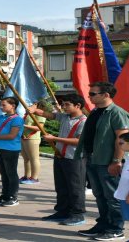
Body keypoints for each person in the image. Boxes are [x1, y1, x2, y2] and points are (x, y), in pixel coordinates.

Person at [75, 82, 129, 241]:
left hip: (107, 161)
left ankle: (116, 228)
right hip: (93, 158)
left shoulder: (117, 113)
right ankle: (103, 224)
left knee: (113, 196)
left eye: (93, 94)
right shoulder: (95, 112)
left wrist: (116, 160)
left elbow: (122, 139)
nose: (89, 96)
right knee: (99, 195)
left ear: (106, 95)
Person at [32, 94, 88, 226]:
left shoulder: (84, 121)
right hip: (60, 156)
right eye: (63, 104)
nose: (63, 107)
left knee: (75, 187)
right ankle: (63, 211)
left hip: (74, 158)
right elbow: (49, 115)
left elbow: (78, 141)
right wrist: (34, 110)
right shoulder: (65, 117)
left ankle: (77, 214)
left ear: (78, 105)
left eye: (67, 105)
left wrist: (55, 139)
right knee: (61, 186)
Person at [21, 102, 47, 185]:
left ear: (36, 104)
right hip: (24, 137)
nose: (27, 105)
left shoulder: (39, 113)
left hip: (32, 138)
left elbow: (39, 128)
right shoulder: (27, 113)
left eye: (30, 103)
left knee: (34, 158)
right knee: (26, 159)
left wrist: (24, 126)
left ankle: (34, 178)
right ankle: (27, 176)